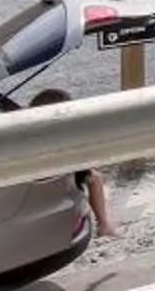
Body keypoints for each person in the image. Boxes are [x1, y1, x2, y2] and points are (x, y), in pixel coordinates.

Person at [24, 87, 118, 237]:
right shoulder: (67, 149)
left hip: (26, 220)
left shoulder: (27, 144)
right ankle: (104, 225)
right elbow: (93, 179)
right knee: (94, 177)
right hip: (67, 227)